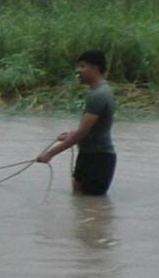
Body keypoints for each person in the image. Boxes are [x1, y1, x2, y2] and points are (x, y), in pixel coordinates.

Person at [36, 50, 117, 195]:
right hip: (89, 155)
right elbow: (92, 129)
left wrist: (49, 154)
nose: (78, 71)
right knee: (82, 203)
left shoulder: (99, 95)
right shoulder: (97, 92)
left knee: (92, 208)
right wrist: (71, 134)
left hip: (98, 160)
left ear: (96, 68)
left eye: (82, 66)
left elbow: (82, 133)